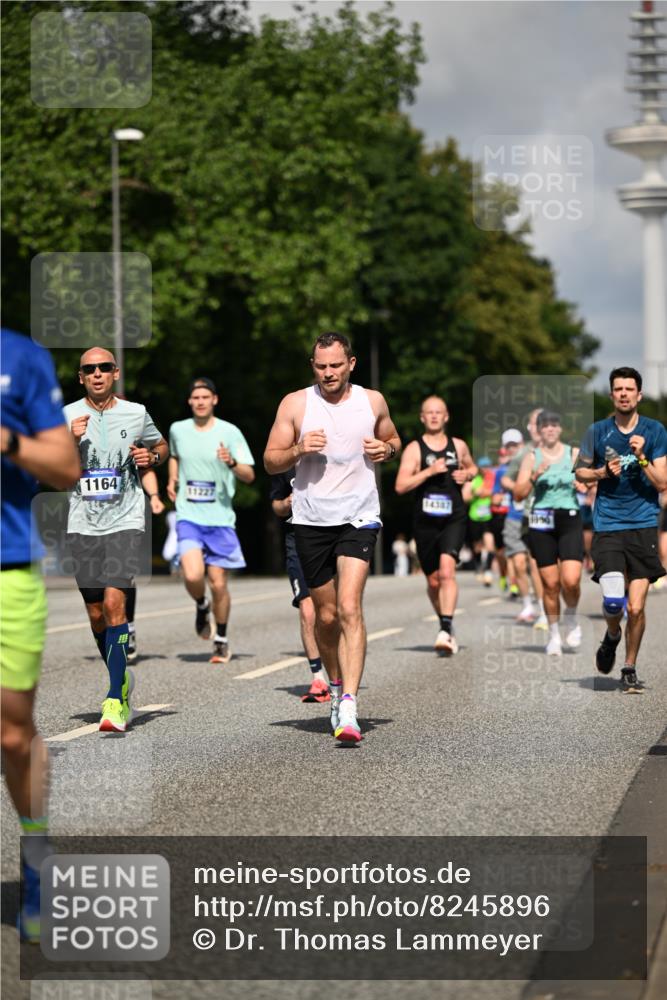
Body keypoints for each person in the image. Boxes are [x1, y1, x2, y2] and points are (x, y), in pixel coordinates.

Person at [263, 332, 401, 744]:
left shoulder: (372, 401)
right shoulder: (295, 404)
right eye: (321, 366)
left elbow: (393, 438)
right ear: (313, 366)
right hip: (310, 520)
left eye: (335, 365)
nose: (328, 373)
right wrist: (299, 449)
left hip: (359, 517)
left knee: (348, 607)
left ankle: (349, 704)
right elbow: (271, 460)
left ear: (351, 364)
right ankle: (336, 685)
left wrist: (386, 451)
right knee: (324, 617)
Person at [1, 327, 80, 942]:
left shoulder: (19, 358)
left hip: (6, 569)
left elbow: (63, 467)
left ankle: (35, 859)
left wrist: (6, 440)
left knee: (11, 731)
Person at [65, 348, 168, 731]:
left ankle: (114, 698)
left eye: (104, 368)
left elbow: (160, 447)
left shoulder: (136, 413)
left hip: (126, 519)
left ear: (115, 373)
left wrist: (150, 458)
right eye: (89, 369)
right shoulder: (66, 418)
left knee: (114, 603)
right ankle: (119, 672)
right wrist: (66, 442)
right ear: (80, 377)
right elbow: (50, 470)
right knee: (95, 615)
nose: (97, 374)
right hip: (82, 523)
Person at [575, 367, 667, 691]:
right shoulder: (597, 431)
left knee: (638, 606)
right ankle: (612, 633)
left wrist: (641, 458)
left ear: (639, 395)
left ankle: (629, 666)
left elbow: (663, 482)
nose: (624, 393)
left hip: (642, 525)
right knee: (615, 603)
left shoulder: (655, 431)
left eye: (630, 388)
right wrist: (602, 472)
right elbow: (581, 474)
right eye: (618, 389)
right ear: (612, 394)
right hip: (608, 525)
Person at [168, 377, 255, 664]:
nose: (201, 402)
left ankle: (221, 638)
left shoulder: (230, 432)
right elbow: (174, 456)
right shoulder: (178, 430)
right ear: (190, 402)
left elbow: (249, 475)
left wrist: (230, 461)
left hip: (220, 519)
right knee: (193, 575)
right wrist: (172, 478)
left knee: (218, 583)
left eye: (206, 397)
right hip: (188, 515)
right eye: (196, 398)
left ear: (214, 400)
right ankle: (201, 605)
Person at [395, 395, 477, 655]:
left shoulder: (459, 445)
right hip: (425, 522)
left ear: (446, 416)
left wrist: (468, 475)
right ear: (422, 417)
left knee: (446, 573)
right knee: (432, 582)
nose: (433, 416)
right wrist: (429, 472)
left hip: (454, 518)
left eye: (438, 412)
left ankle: (445, 626)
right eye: (428, 412)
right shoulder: (414, 449)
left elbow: (473, 469)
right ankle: (446, 624)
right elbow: (400, 486)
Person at [515, 411, 585, 655]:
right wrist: (535, 476)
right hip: (541, 520)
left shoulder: (573, 453)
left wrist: (583, 484)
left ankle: (572, 617)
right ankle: (554, 635)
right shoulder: (531, 457)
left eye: (555, 425)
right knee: (551, 584)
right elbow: (518, 494)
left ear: (560, 429)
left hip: (569, 518)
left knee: (571, 580)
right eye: (545, 426)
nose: (550, 429)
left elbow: (588, 481)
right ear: (539, 430)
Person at [270, 469, 329, 702]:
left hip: (329, 538)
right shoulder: (283, 463)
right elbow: (276, 506)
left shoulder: (332, 455)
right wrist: (287, 502)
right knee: (307, 608)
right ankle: (318, 678)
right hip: (297, 541)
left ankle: (339, 670)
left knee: (331, 612)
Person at [124, 468, 166, 663]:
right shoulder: (75, 436)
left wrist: (154, 495)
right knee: (95, 590)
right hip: (88, 517)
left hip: (126, 515)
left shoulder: (133, 437)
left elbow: (149, 461)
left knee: (124, 574)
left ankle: (128, 629)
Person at [466, 457, 495, 586]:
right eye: (483, 467)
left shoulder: (493, 480)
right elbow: (465, 498)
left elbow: (497, 493)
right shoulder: (474, 480)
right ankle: (478, 565)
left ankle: (488, 570)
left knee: (490, 544)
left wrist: (488, 493)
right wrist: (476, 494)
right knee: (477, 546)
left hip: (489, 516)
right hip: (475, 516)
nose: (486, 469)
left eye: (488, 466)